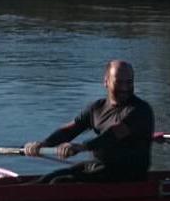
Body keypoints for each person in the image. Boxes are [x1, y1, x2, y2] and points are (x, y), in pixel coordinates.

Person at [27, 60, 157, 184]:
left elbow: (112, 135)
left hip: (128, 175)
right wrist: (43, 145)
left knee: (60, 183)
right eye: (119, 82)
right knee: (47, 179)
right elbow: (69, 130)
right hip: (100, 168)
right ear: (106, 82)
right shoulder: (96, 108)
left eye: (129, 82)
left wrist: (82, 147)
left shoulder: (140, 110)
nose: (125, 88)